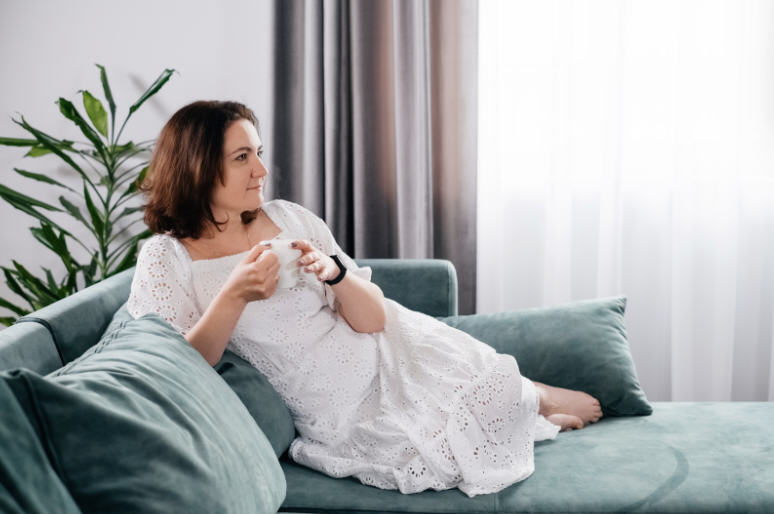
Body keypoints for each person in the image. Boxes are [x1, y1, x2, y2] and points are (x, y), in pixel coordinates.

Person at [127, 100, 602, 497]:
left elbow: (373, 319)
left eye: (260, 152)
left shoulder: (289, 217)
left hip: (387, 349)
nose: (262, 169)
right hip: (335, 406)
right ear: (198, 166)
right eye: (242, 157)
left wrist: (334, 274)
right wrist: (233, 296)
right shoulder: (166, 258)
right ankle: (529, 410)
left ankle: (533, 397)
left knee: (494, 385)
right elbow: (182, 364)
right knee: (430, 456)